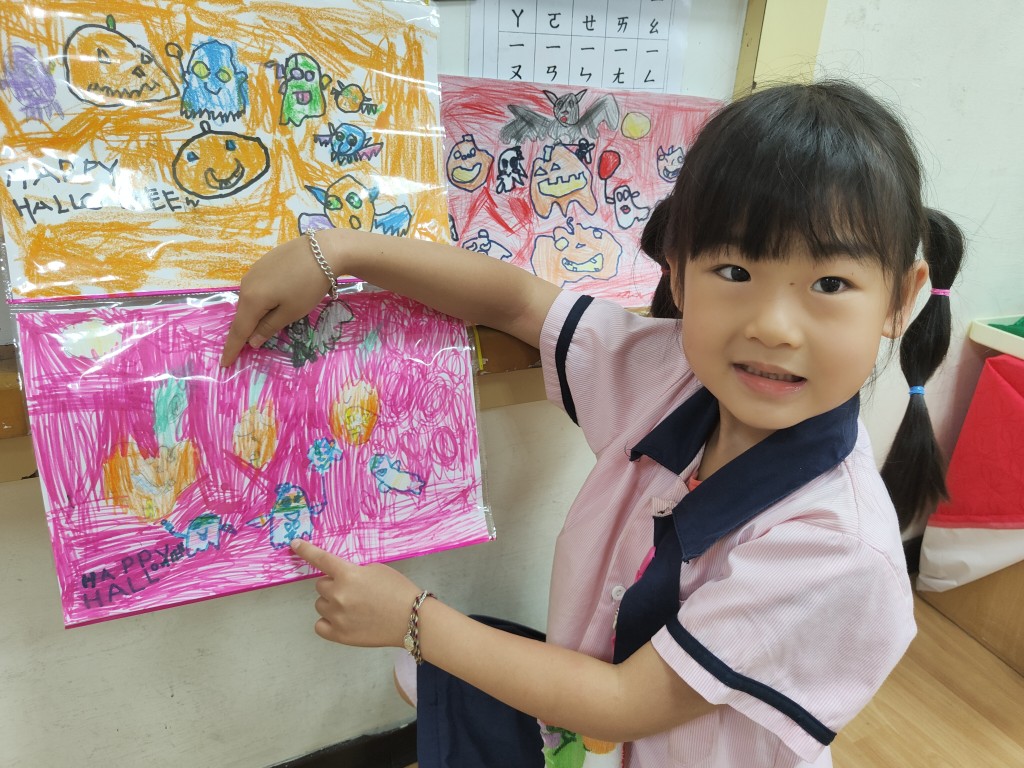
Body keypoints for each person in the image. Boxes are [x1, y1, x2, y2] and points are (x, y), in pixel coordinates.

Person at [219, 80, 965, 767]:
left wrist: (412, 618)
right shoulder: (669, 373)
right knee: (436, 679)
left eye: (830, 283)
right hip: (593, 739)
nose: (772, 326)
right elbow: (516, 302)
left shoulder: (837, 545)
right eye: (735, 273)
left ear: (900, 300)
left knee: (433, 659)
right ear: (678, 271)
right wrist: (340, 251)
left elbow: (625, 702)